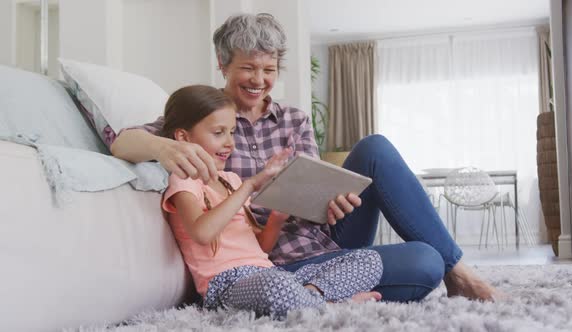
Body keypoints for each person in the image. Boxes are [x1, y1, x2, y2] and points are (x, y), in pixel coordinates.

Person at [110, 13, 501, 302]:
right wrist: (164, 147)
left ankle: (457, 270)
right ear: (223, 64)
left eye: (269, 69)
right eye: (247, 68)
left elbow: (314, 194)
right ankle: (322, 295)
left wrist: (335, 201)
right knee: (422, 262)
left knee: (376, 149)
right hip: (266, 263)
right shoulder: (199, 121)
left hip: (320, 237)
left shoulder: (294, 119)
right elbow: (120, 143)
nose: (258, 80)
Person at [160, 84, 383, 319]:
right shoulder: (184, 181)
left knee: (369, 259)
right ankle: (328, 306)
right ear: (183, 137)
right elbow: (202, 233)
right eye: (219, 133)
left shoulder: (231, 180)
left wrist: (277, 218)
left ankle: (310, 298)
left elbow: (262, 247)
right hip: (226, 286)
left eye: (232, 132)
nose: (230, 143)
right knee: (274, 284)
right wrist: (249, 186)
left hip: (270, 272)